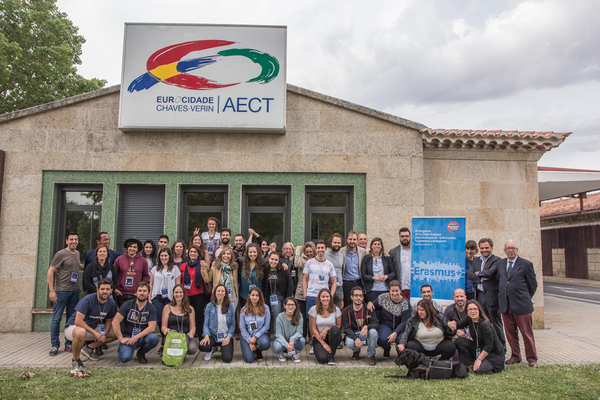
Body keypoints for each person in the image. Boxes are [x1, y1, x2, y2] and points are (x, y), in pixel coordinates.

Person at [478, 240, 539, 367]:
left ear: (517, 250)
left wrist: (525, 297)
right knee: (510, 333)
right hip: (505, 305)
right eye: (508, 248)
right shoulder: (500, 263)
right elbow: (499, 280)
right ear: (504, 251)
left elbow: (533, 285)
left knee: (526, 333)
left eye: (513, 248)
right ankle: (515, 356)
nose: (510, 250)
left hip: (522, 305)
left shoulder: (526, 264)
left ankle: (532, 358)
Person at [63, 278, 118, 370]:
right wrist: (95, 333)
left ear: (111, 291)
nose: (105, 292)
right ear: (97, 290)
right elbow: (78, 321)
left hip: (91, 329)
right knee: (81, 332)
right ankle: (76, 360)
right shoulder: (88, 299)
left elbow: (109, 321)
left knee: (117, 332)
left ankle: (88, 348)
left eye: (107, 289)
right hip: (74, 328)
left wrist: (104, 332)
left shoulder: (111, 303)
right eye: (102, 289)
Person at [467, 238, 505, 349]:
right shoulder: (476, 261)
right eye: (482, 248)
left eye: (487, 248)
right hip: (479, 296)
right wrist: (482, 278)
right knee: (482, 323)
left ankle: (501, 348)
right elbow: (470, 275)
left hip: (491, 297)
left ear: (492, 248)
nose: (484, 250)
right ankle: (485, 347)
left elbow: (491, 272)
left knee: (495, 323)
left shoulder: (497, 260)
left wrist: (478, 273)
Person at [449, 300, 505, 374]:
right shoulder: (469, 319)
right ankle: (470, 364)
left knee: (479, 371)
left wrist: (479, 359)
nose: (473, 311)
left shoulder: (485, 325)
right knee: (460, 341)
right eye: (470, 309)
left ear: (479, 310)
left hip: (493, 354)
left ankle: (487, 365)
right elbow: (457, 325)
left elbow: (489, 346)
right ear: (467, 311)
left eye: (475, 309)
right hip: (479, 348)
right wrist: (450, 324)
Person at [48, 231, 81, 356]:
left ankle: (68, 343)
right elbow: (51, 271)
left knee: (71, 318)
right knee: (56, 318)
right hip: (61, 291)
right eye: (71, 239)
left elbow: (77, 267)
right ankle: (55, 345)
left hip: (74, 290)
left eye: (76, 239)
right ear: (66, 241)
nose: (74, 241)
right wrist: (52, 290)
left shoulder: (77, 253)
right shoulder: (61, 254)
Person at [111, 282, 160, 364]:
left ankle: (141, 353)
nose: (142, 293)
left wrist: (136, 337)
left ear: (148, 293)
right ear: (135, 293)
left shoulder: (151, 308)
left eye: (144, 291)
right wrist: (121, 338)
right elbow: (115, 322)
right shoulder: (127, 304)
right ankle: (123, 348)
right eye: (140, 291)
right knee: (125, 358)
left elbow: (152, 327)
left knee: (154, 338)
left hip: (141, 337)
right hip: (128, 337)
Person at [149, 247, 181, 355]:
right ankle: (164, 340)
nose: (163, 258)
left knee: (168, 320)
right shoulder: (154, 269)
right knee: (159, 319)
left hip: (170, 298)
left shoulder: (175, 269)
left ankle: (165, 343)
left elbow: (178, 285)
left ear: (169, 257)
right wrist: (149, 297)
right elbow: (151, 284)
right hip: (157, 296)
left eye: (165, 256)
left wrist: (177, 298)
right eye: (162, 256)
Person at [367, 279, 412, 358]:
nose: (395, 293)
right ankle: (386, 348)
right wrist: (370, 303)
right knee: (383, 339)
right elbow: (372, 305)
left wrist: (396, 333)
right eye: (392, 291)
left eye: (397, 291)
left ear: (400, 291)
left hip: (400, 326)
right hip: (385, 324)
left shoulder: (405, 303)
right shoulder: (383, 298)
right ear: (389, 290)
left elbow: (405, 322)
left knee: (400, 340)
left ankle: (400, 354)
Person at [199, 284, 235, 363]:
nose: (220, 293)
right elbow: (205, 324)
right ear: (215, 293)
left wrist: (229, 336)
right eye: (218, 291)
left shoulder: (230, 306)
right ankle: (209, 351)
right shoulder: (209, 306)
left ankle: (224, 349)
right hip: (213, 335)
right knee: (203, 346)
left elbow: (233, 324)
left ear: (225, 293)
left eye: (222, 291)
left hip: (225, 336)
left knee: (227, 359)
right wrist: (206, 335)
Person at [342, 286, 379, 365]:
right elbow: (346, 328)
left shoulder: (369, 308)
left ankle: (371, 355)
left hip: (366, 333)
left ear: (363, 297)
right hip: (354, 333)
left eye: (360, 296)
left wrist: (366, 327)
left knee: (373, 332)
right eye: (356, 295)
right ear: (351, 297)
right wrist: (355, 339)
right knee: (349, 342)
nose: (358, 298)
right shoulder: (346, 311)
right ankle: (356, 351)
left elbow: (375, 323)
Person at [161, 284, 198, 358]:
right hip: (172, 335)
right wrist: (165, 330)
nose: (178, 294)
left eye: (180, 292)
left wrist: (191, 334)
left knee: (193, 348)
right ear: (173, 294)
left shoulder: (190, 309)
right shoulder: (167, 307)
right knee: (173, 332)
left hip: (184, 336)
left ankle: (180, 353)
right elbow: (163, 326)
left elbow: (193, 327)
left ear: (184, 294)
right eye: (176, 292)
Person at [180, 244, 209, 337]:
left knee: (199, 316)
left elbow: (206, 278)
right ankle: (187, 334)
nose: (192, 253)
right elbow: (180, 281)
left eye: (195, 252)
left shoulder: (201, 265)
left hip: (199, 294)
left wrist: (205, 267)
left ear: (198, 254)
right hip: (186, 294)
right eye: (191, 252)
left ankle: (200, 335)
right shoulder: (183, 265)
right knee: (186, 316)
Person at [303, 240, 337, 318]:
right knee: (310, 320)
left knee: (323, 319)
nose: (320, 250)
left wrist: (330, 296)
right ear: (315, 249)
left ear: (326, 249)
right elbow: (305, 279)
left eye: (322, 248)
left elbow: (334, 282)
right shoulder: (309, 263)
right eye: (318, 248)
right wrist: (305, 294)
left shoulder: (330, 265)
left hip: (324, 297)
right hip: (311, 296)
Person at [309, 288, 342, 365]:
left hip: (332, 336)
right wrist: (324, 344)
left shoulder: (336, 310)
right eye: (323, 297)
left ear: (330, 298)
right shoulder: (313, 310)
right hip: (319, 338)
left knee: (335, 330)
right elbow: (313, 329)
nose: (325, 299)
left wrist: (327, 329)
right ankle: (321, 350)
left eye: (327, 297)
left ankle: (332, 356)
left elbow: (339, 326)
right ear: (319, 298)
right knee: (322, 359)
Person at [113, 237, 149, 307]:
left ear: (137, 249)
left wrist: (141, 290)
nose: (132, 249)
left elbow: (145, 276)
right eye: (130, 246)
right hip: (121, 293)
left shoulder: (143, 261)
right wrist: (116, 289)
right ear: (127, 248)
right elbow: (114, 275)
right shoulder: (119, 259)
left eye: (134, 247)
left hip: (136, 294)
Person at [264, 252, 293, 334]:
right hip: (274, 297)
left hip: (285, 296)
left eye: (276, 260)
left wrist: (288, 299)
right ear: (268, 259)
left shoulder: (283, 270)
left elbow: (290, 284)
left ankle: (288, 335)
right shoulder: (266, 270)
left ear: (279, 260)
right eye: (272, 259)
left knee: (288, 316)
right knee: (277, 316)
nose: (273, 261)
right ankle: (278, 336)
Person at [239, 287, 271, 363]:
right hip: (247, 336)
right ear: (249, 296)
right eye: (253, 295)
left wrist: (255, 337)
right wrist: (250, 340)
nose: (255, 297)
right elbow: (242, 328)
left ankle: (258, 349)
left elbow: (267, 325)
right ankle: (251, 349)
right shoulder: (244, 310)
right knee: (249, 360)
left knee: (265, 343)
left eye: (257, 295)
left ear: (260, 297)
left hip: (260, 335)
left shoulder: (265, 308)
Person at [361, 237, 395, 303]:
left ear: (381, 246)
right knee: (373, 310)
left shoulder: (387, 258)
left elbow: (393, 273)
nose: (377, 246)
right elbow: (363, 275)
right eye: (375, 244)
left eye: (378, 244)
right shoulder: (366, 258)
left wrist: (386, 276)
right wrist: (374, 278)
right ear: (371, 246)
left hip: (385, 289)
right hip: (371, 290)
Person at [273, 297, 305, 363]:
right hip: (282, 340)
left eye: (292, 305)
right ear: (284, 306)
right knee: (277, 347)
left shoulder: (299, 316)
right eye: (288, 304)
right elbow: (278, 334)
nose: (290, 307)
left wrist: (292, 340)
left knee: (302, 340)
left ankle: (294, 354)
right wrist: (286, 345)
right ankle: (280, 353)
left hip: (293, 341)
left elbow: (299, 332)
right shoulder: (280, 316)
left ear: (295, 306)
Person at [294, 241, 315, 339]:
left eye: (311, 252)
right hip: (301, 292)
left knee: (311, 316)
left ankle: (312, 335)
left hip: (312, 292)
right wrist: (297, 252)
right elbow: (297, 264)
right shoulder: (303, 260)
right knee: (301, 315)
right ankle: (303, 335)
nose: (309, 254)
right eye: (307, 252)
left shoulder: (316, 261)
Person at [341, 230, 367, 309]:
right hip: (347, 283)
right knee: (348, 306)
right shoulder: (341, 251)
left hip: (359, 282)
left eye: (354, 239)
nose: (352, 241)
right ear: (347, 240)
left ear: (357, 240)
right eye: (350, 239)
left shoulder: (363, 251)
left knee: (359, 304)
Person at [239, 243, 265, 312]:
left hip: (258, 297)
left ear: (258, 253)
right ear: (247, 253)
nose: (252, 254)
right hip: (244, 296)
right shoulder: (241, 263)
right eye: (250, 252)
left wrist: (283, 263)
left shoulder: (263, 265)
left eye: (254, 252)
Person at [389, 227, 412, 299]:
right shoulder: (393, 252)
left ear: (410, 236)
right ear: (399, 237)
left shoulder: (417, 251)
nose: (405, 238)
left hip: (413, 288)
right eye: (402, 236)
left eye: (407, 236)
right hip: (399, 289)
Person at [325, 233, 345, 308]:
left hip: (339, 287)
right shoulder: (325, 254)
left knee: (338, 310)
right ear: (330, 243)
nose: (337, 244)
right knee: (327, 309)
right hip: (328, 286)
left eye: (339, 243)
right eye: (335, 242)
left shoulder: (341, 255)